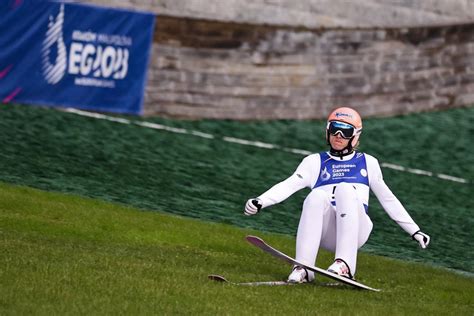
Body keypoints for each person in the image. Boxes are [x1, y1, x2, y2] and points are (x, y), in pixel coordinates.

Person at [243, 107, 430, 283]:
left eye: (346, 132)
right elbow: (289, 185)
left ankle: (346, 264)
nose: (338, 136)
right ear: (327, 131)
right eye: (334, 129)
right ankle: (304, 268)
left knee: (344, 189)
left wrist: (414, 230)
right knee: (315, 196)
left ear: (355, 137)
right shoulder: (314, 162)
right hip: (327, 232)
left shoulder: (368, 163)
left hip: (357, 230)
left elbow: (388, 198)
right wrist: (261, 201)